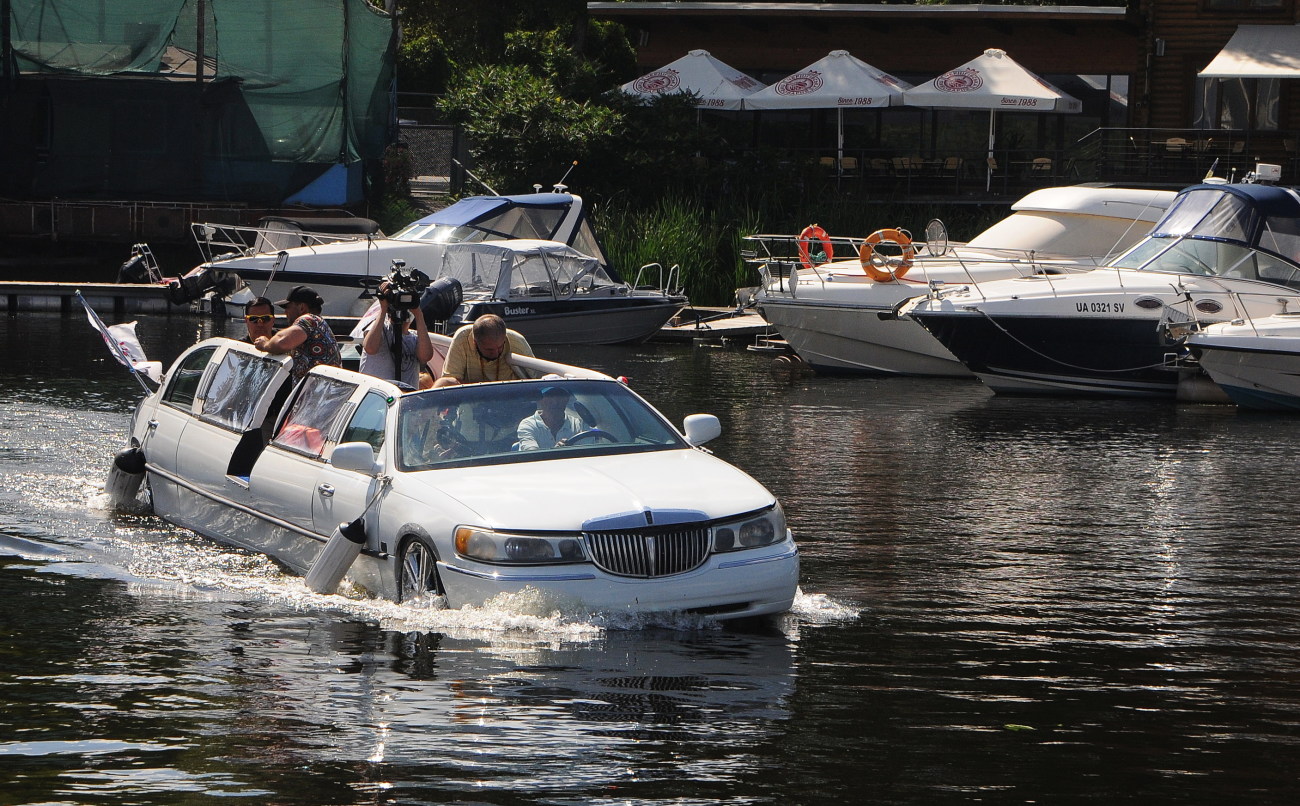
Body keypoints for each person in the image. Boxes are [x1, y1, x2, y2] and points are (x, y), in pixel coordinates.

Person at [254, 285, 341, 381]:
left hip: (317, 392)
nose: (285, 312)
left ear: (302, 308)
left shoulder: (308, 320)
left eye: (288, 307)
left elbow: (281, 343)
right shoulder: (318, 324)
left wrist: (265, 344)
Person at [359, 281, 434, 388]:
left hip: (405, 396)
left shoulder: (415, 339)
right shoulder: (381, 329)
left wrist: (418, 313)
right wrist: (383, 308)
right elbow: (370, 348)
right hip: (379, 396)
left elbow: (426, 356)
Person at [434, 314, 534, 387]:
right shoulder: (462, 339)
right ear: (475, 342)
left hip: (512, 399)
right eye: (489, 349)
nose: (496, 354)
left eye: (500, 348)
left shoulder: (517, 342)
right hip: (473, 399)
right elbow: (450, 380)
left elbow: (536, 378)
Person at [517, 386, 587, 450]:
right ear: (540, 399)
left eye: (560, 395)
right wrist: (555, 452)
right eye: (550, 396)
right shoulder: (528, 425)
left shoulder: (579, 424)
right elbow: (531, 455)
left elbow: (589, 452)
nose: (555, 401)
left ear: (567, 399)